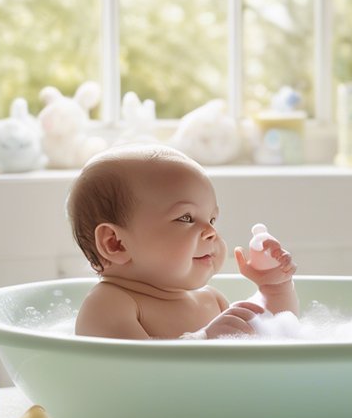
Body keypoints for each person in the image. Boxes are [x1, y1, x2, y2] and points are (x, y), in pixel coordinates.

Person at [67, 144, 298, 339]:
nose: (210, 231)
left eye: (212, 219)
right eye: (186, 218)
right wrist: (203, 341)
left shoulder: (210, 299)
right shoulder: (110, 304)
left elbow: (277, 340)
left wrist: (274, 287)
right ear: (116, 243)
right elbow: (137, 374)